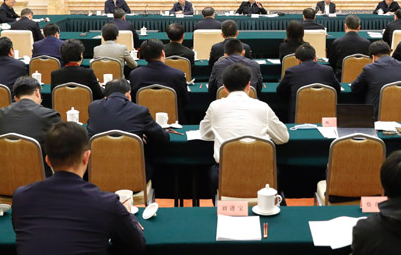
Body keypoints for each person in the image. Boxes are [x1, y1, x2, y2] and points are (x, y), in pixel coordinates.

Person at [12, 122, 145, 255]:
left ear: (48, 160)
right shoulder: (106, 203)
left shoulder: (21, 197)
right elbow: (136, 246)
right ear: (86, 157)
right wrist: (126, 214)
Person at [199, 63, 289, 192]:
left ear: (224, 87)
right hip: (261, 174)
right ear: (248, 85)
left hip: (226, 174)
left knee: (213, 173)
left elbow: (204, 134)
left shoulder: (215, 106)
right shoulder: (262, 106)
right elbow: (283, 137)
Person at [87, 79, 170, 178]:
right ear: (128, 94)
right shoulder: (140, 111)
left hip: (98, 175)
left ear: (106, 96)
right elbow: (163, 138)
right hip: (134, 176)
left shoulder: (93, 107)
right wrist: (138, 136)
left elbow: (91, 130)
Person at [0, 76, 61, 151]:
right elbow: (62, 142)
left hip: (4, 157)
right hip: (36, 158)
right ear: (37, 93)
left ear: (16, 98)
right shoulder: (49, 115)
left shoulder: (0, 114)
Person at [277, 43, 340, 122]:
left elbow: (280, 91)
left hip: (298, 116)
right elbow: (337, 90)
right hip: (325, 116)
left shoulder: (292, 71)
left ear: (298, 60)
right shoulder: (328, 70)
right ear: (315, 57)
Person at [129, 39, 189, 120]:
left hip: (143, 120)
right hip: (173, 120)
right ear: (162, 53)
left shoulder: (135, 74)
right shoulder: (178, 75)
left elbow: (134, 100)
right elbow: (184, 101)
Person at [351, 41, 401, 112]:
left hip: (377, 114)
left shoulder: (369, 69)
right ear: (390, 52)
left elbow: (355, 88)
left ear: (373, 57)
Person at [328, 15, 371, 79]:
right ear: (359, 27)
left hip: (341, 78)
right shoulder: (367, 43)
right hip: (362, 78)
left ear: (345, 26)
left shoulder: (337, 42)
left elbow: (331, 62)